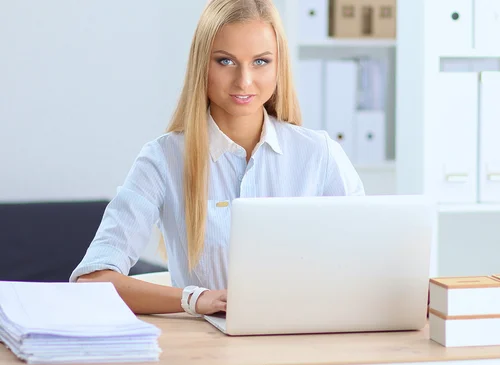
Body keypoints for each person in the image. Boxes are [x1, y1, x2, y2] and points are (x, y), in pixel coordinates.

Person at [70, 0, 364, 317]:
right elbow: (93, 280)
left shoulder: (319, 154)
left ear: (279, 66)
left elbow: (367, 260)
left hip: (304, 337)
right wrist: (195, 299)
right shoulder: (163, 159)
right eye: (225, 61)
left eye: (261, 62)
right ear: (202, 66)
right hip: (208, 346)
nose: (244, 81)